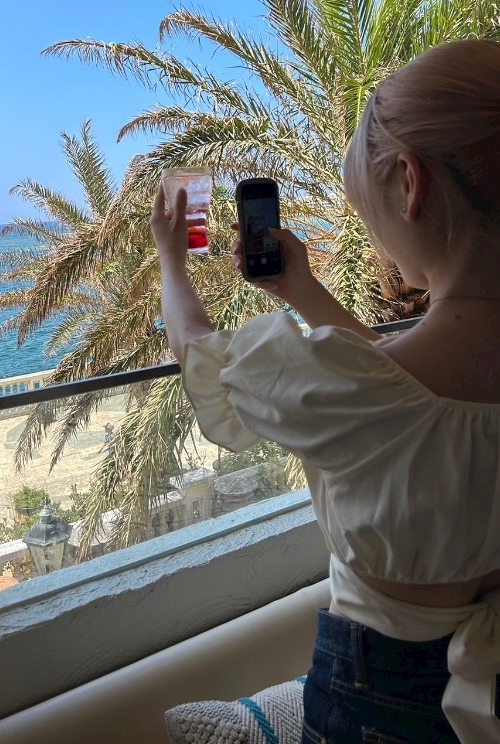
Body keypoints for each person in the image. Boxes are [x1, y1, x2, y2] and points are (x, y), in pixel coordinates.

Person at [150, 39, 500, 744]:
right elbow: (401, 391)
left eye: (369, 209)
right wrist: (304, 291)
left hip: (379, 696)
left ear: (411, 182)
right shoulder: (395, 388)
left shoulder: (371, 393)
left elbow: (204, 357)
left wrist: (172, 262)